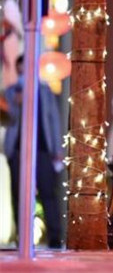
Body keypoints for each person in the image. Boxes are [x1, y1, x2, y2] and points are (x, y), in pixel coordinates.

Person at [3, 55, 63, 248]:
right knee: (18, 193)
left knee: (47, 192)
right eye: (20, 70)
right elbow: (6, 120)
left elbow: (54, 120)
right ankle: (23, 236)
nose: (23, 73)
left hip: (43, 150)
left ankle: (55, 236)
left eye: (25, 69)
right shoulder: (11, 92)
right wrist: (16, 104)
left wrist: (57, 149)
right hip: (18, 150)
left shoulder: (45, 91)